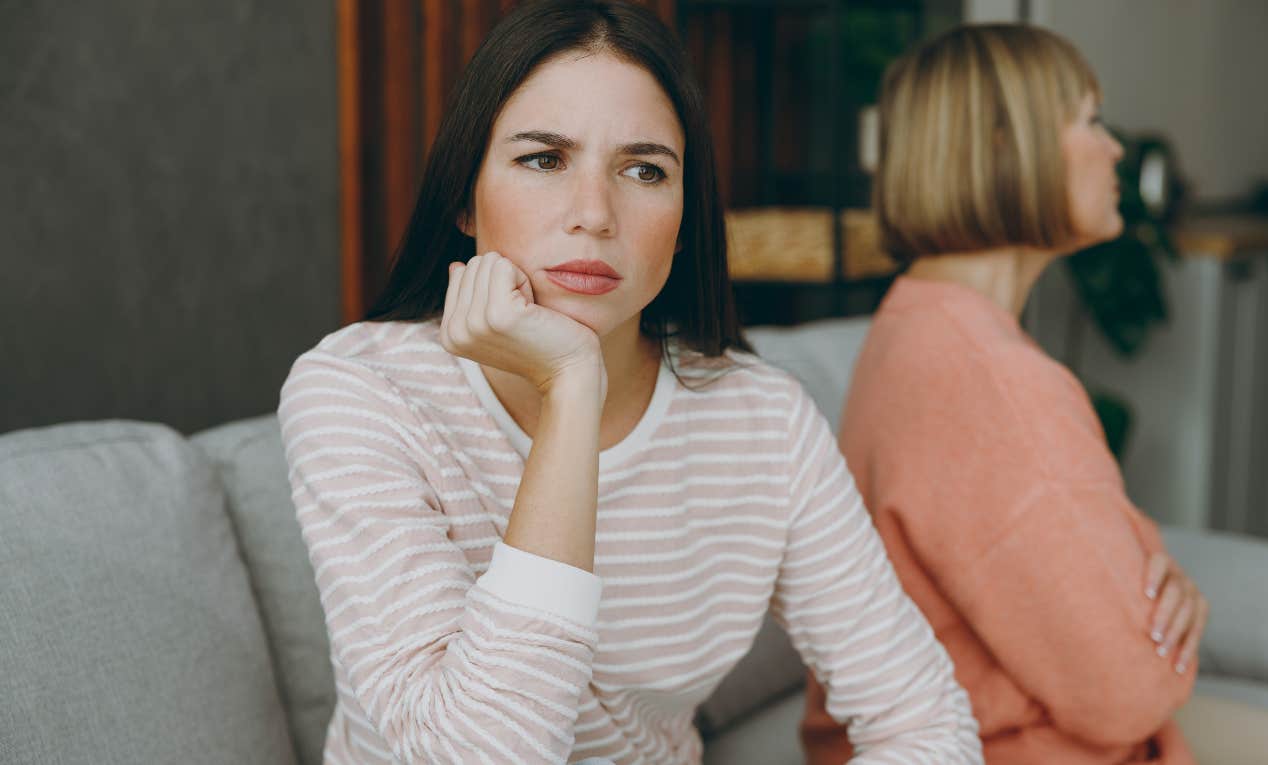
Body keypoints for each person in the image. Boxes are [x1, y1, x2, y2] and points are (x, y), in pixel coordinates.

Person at [277, 2, 981, 763]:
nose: (595, 213)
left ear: (683, 221)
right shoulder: (361, 394)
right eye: (544, 158)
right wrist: (572, 390)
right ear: (463, 199)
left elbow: (926, 723)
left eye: (644, 170)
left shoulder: (763, 420)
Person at [800, 24, 1207, 765]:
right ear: (1003, 147)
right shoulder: (997, 383)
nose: (1117, 148)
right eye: (1089, 120)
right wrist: (1161, 580)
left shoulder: (914, 319)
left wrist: (1149, 569)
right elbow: (1132, 688)